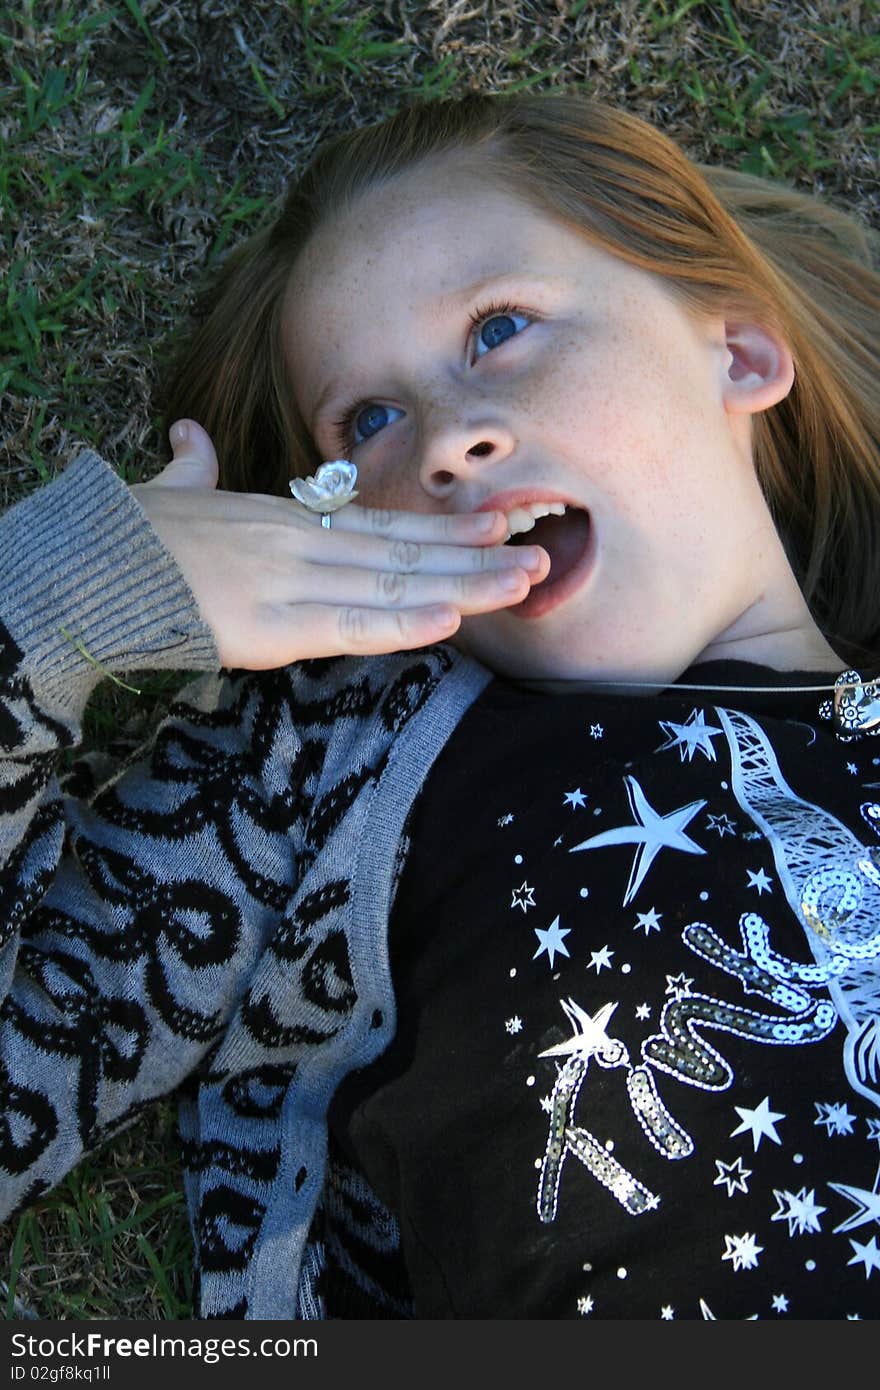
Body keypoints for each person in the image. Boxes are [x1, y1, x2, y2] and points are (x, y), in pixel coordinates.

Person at [1, 92, 879, 1321]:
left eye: (499, 328)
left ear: (736, 349)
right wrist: (64, 598)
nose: (444, 444)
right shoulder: (336, 755)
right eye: (366, 421)